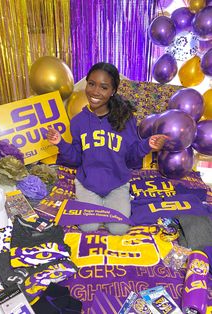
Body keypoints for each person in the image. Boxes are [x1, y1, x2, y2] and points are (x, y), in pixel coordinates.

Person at [47, 62, 167, 235]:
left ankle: (118, 202)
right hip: (88, 184)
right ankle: (95, 204)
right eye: (91, 84)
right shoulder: (78, 121)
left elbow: (132, 160)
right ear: (86, 84)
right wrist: (60, 142)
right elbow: (76, 159)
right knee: (88, 227)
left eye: (103, 87)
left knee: (119, 229)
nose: (95, 92)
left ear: (113, 91)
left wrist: (147, 145)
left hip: (117, 184)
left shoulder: (126, 119)